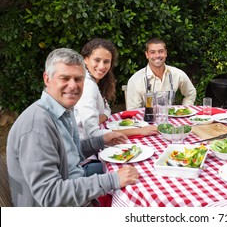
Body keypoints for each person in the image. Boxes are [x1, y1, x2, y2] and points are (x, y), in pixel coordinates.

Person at [6, 48, 140, 207]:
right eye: (65, 78)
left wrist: (100, 141)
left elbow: (68, 155)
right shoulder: (37, 126)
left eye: (78, 79)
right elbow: (50, 195)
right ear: (47, 79)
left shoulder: (61, 111)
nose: (73, 86)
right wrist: (113, 179)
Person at [75, 38, 158, 140]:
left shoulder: (96, 81)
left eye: (106, 62)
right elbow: (93, 134)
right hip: (82, 147)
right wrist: (139, 131)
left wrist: (98, 119)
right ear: (86, 59)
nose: (101, 66)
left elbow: (107, 109)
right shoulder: (88, 86)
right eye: (97, 60)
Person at [126, 37, 197, 110]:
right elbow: (133, 110)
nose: (157, 56)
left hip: (170, 119)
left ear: (166, 53)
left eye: (160, 51)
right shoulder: (135, 80)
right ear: (147, 55)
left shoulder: (177, 74)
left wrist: (184, 110)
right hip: (146, 120)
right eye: (152, 52)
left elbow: (191, 93)